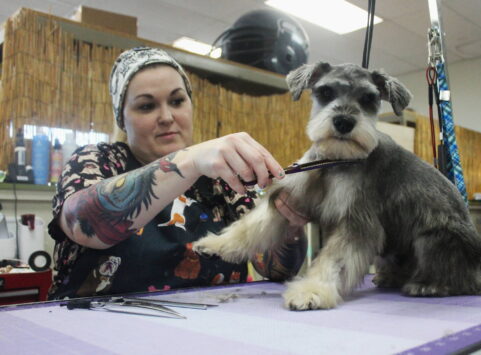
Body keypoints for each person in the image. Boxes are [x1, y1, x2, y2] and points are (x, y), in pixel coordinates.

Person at [47, 47, 308, 299]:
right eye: (146, 106)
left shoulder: (224, 181)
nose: (167, 117)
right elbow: (84, 224)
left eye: (177, 101)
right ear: (121, 119)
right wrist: (189, 161)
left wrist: (288, 223)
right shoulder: (96, 161)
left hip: (212, 330)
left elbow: (276, 270)